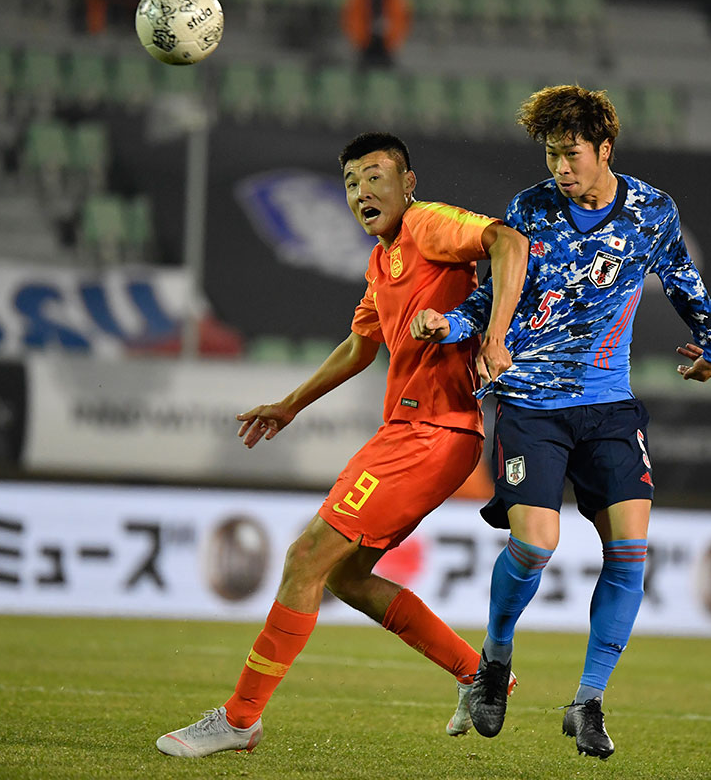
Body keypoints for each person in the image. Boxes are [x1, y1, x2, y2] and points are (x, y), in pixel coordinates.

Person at [156, 132, 528, 757]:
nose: (362, 192)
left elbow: (508, 242)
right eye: (352, 183)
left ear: (408, 183)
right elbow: (361, 345)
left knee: (307, 557)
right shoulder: (382, 263)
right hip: (416, 432)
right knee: (345, 576)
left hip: (430, 431)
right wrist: (290, 404)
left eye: (376, 176)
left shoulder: (429, 224)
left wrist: (494, 338)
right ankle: (479, 674)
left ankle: (241, 718)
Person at [411, 85, 711, 759]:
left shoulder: (651, 211)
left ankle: (588, 702)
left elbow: (681, 277)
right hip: (531, 404)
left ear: (605, 149)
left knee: (630, 552)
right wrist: (453, 325)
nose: (560, 167)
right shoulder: (530, 210)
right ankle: (495, 661)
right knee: (535, 545)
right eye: (552, 154)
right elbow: (493, 295)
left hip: (608, 404)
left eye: (571, 154)